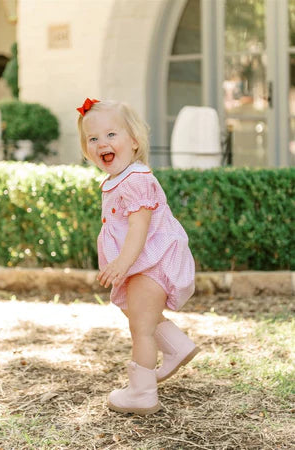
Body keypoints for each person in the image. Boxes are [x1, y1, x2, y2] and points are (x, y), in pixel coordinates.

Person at [76, 98, 200, 415]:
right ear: (87, 149)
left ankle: (142, 394)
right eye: (93, 139)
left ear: (133, 141)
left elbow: (139, 228)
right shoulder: (122, 179)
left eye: (111, 135)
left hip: (151, 263)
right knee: (138, 313)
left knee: (140, 329)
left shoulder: (137, 179)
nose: (102, 143)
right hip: (144, 265)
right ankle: (176, 346)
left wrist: (121, 263)